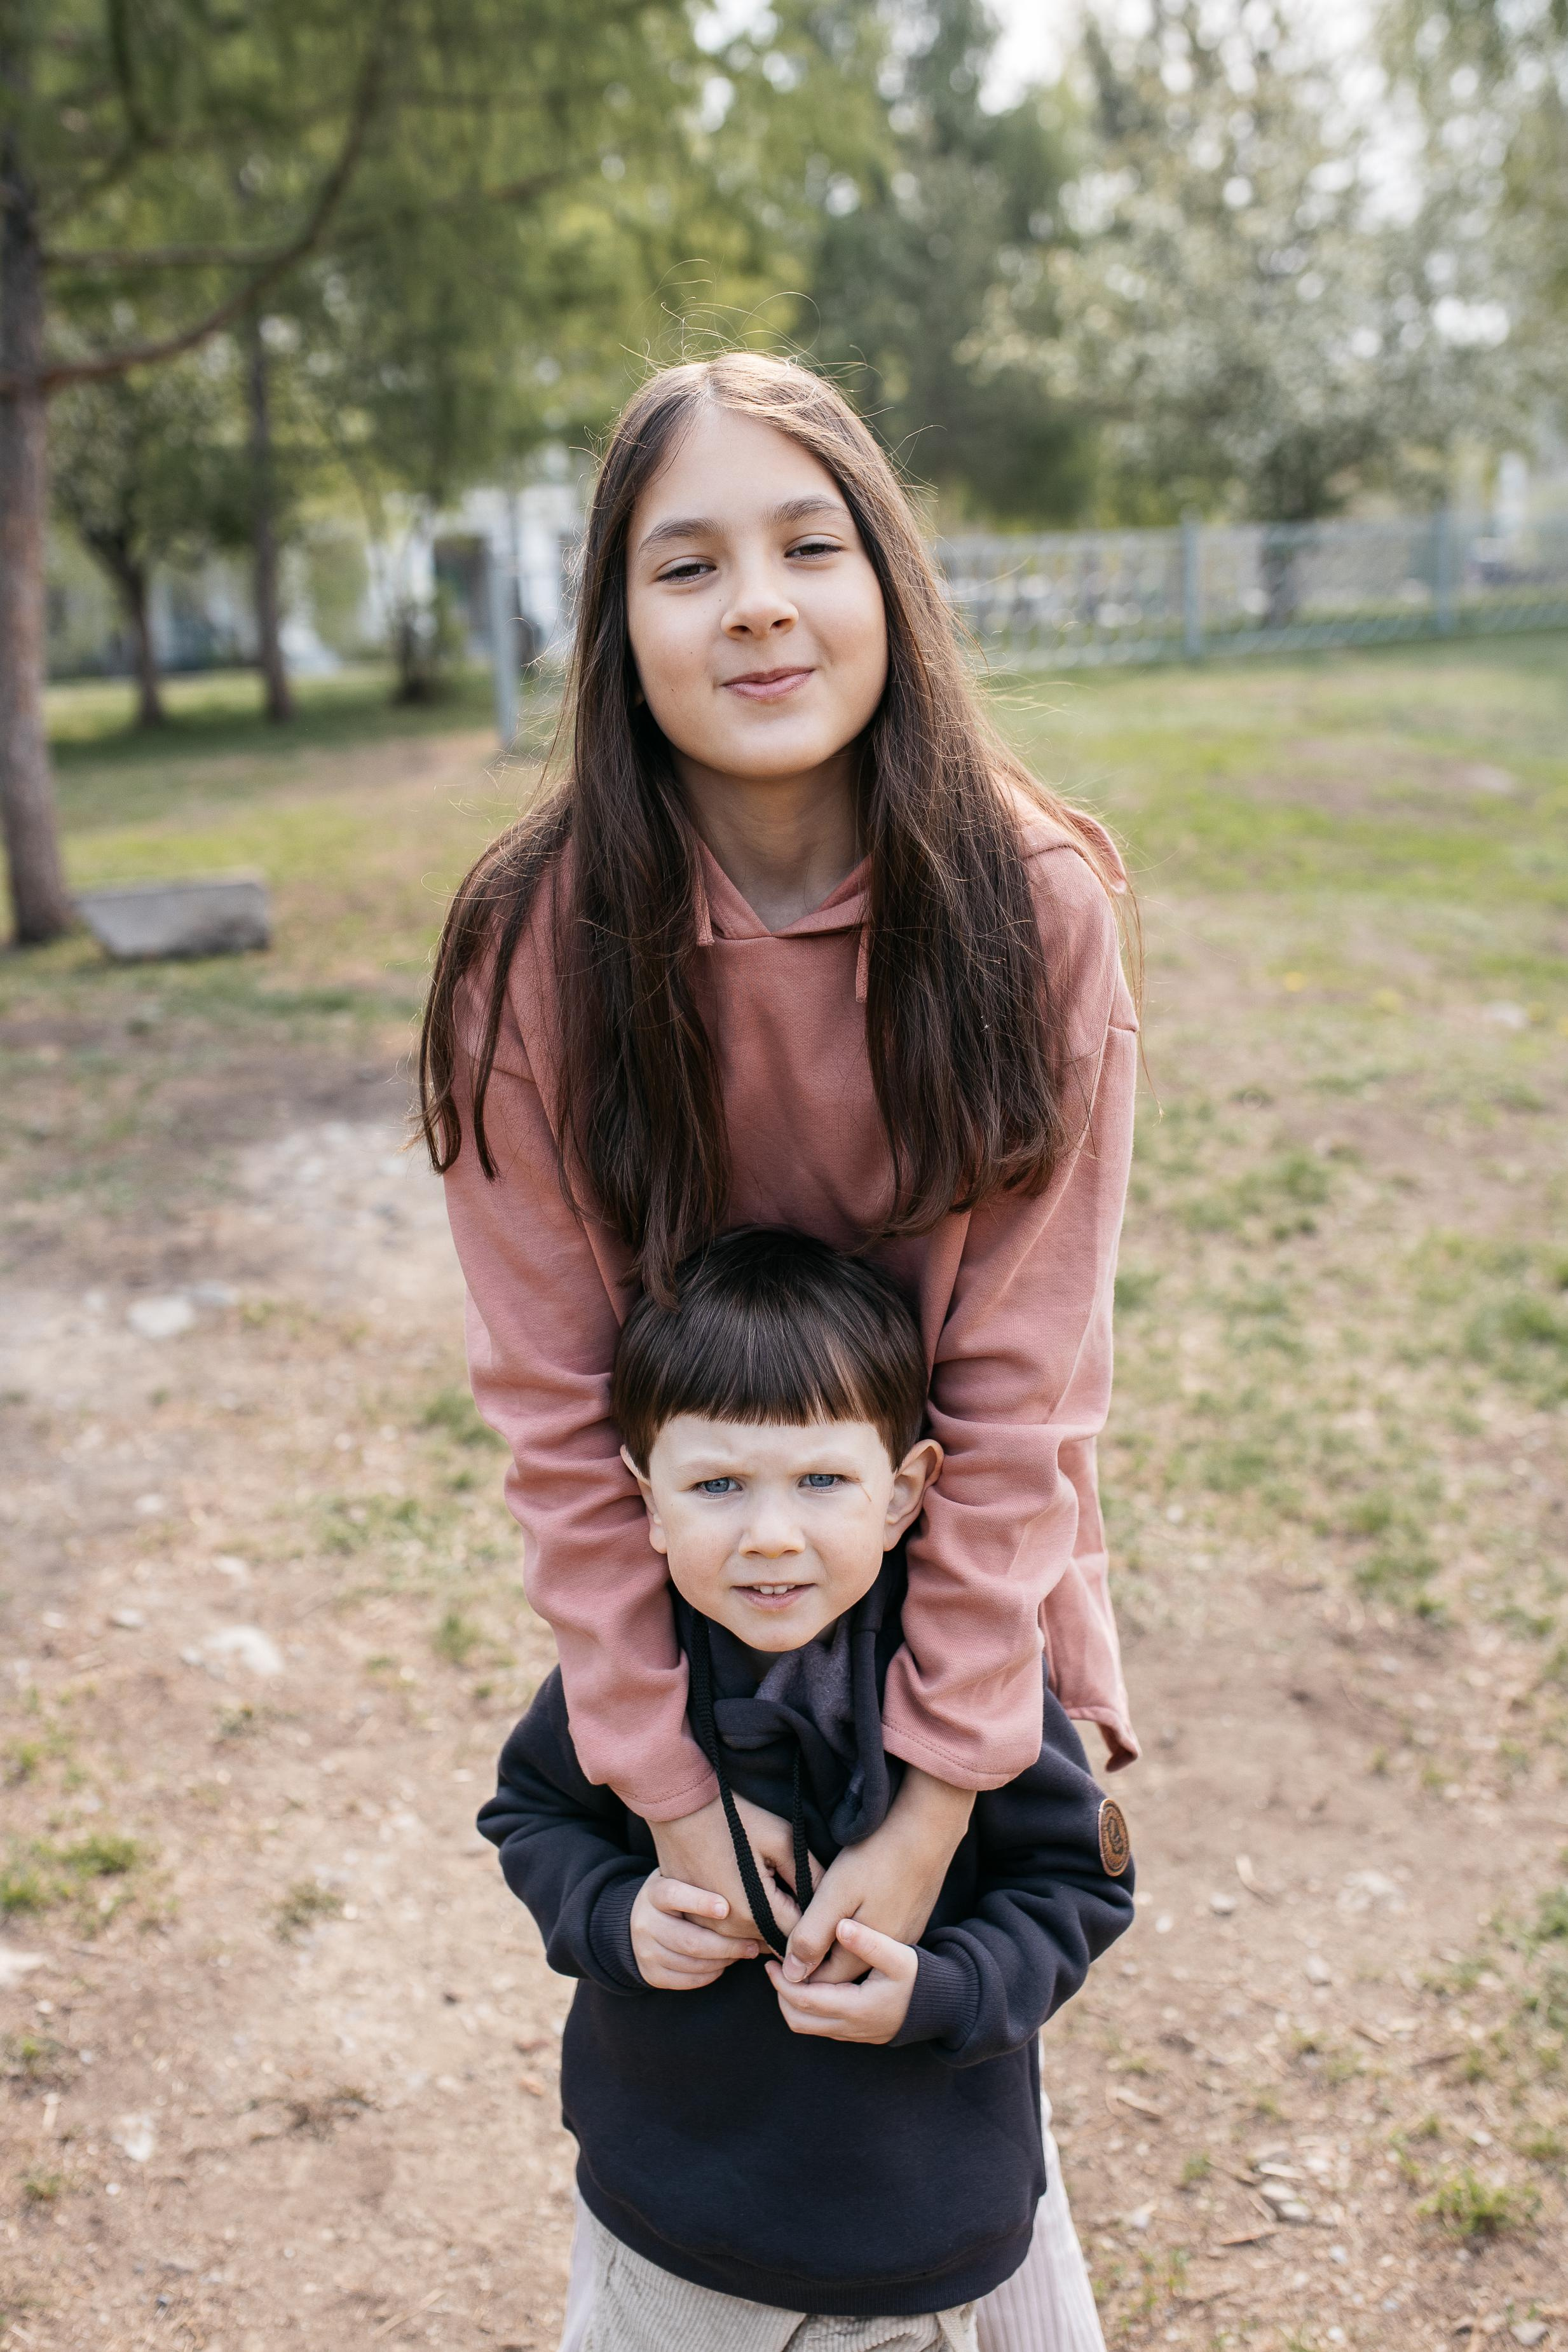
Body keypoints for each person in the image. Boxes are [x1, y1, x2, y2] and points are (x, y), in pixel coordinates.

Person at [422, 350, 1140, 2347]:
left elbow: (1019, 1394)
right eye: (685, 562)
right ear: (612, 626)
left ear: (888, 583)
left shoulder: (1032, 903)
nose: (754, 600)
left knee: (935, 2062)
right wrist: (657, 1796)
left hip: (946, 1565)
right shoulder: (531, 945)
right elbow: (563, 1419)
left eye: (807, 543)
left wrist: (929, 1809)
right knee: (719, 2089)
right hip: (715, 1546)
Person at [479, 1227, 1136, 2351]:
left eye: (823, 1480)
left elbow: (1077, 1883)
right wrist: (614, 1917)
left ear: (903, 1493)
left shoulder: (966, 1683)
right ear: (645, 1499)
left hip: (915, 2224)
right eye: (718, 1484)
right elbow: (532, 1814)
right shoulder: (640, 1673)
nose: (770, 1537)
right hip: (671, 2212)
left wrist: (947, 1990)